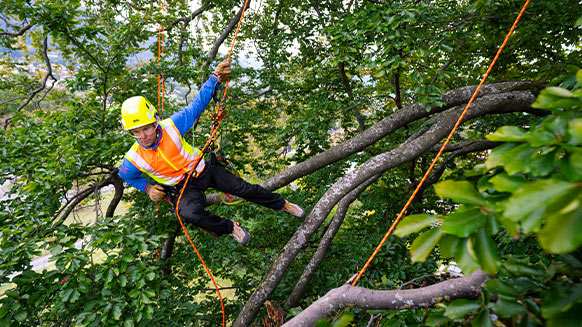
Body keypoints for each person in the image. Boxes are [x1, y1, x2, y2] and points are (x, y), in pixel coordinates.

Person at [118, 59, 305, 245]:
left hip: (203, 170)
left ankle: (282, 204)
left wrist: (215, 77)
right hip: (183, 189)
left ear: (155, 122)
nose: (142, 136)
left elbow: (196, 106)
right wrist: (148, 188)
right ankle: (231, 227)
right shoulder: (134, 158)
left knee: (244, 189)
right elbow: (127, 176)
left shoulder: (172, 126)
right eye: (136, 132)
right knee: (189, 214)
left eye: (146, 129)